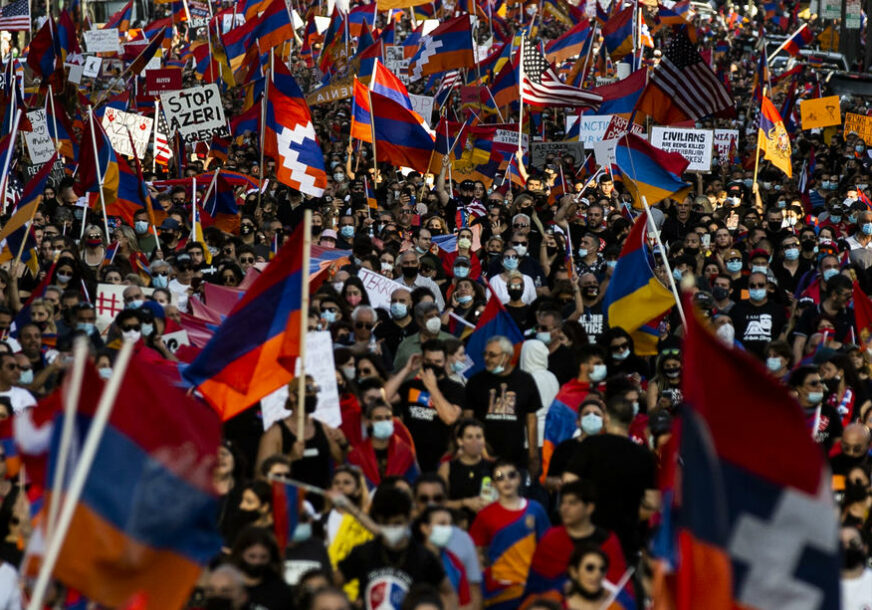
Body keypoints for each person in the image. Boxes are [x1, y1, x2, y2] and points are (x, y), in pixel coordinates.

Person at [565, 396, 658, 561]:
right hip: (627, 538)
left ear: (606, 417)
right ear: (631, 420)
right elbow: (653, 503)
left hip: (590, 534)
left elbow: (569, 481)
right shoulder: (644, 456)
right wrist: (630, 514)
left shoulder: (590, 445)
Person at [335, 487, 457, 610]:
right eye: (386, 524)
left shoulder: (423, 557)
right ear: (378, 521)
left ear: (409, 519)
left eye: (397, 523)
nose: (391, 528)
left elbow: (448, 593)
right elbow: (332, 583)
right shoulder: (363, 553)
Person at [524, 481, 626, 600]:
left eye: (572, 503)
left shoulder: (608, 542)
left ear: (589, 508)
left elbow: (619, 589)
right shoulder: (550, 539)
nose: (564, 508)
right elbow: (536, 586)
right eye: (562, 503)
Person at [469, 459, 550, 607]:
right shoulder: (485, 515)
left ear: (519, 479)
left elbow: (547, 547)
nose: (506, 481)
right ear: (493, 484)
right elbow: (476, 551)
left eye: (511, 475)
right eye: (500, 477)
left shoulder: (536, 510)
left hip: (531, 588)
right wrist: (483, 579)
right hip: (499, 592)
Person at [464, 336, 542, 474]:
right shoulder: (475, 382)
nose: (487, 358)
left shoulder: (525, 381)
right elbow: (467, 419)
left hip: (515, 460)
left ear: (506, 357)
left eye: (492, 355)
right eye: (485, 354)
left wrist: (533, 454)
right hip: (482, 458)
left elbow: (531, 419)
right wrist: (476, 447)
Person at [385, 342, 464, 472]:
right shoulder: (411, 385)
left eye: (437, 361)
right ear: (423, 360)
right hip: (410, 455)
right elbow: (386, 396)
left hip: (440, 458)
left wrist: (432, 387)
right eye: (428, 361)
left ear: (445, 361)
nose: (432, 365)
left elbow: (450, 418)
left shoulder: (455, 388)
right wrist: (407, 369)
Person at [347, 401, 420, 489]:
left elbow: (414, 484)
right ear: (368, 422)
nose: (384, 421)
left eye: (388, 418)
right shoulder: (357, 455)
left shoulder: (405, 453)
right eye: (378, 418)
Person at [417, 505, 472, 609]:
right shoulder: (411, 559)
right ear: (424, 528)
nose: (448, 529)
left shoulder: (455, 562)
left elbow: (466, 603)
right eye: (442, 524)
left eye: (450, 524)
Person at [439, 419, 494, 517]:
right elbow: (439, 503)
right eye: (469, 437)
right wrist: (464, 503)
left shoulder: (493, 468)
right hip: (456, 524)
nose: (475, 441)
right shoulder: (447, 468)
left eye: (479, 437)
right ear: (460, 441)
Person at [230, 527, 294, 609]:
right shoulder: (225, 585)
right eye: (252, 556)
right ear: (240, 554)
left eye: (263, 557)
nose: (257, 562)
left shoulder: (280, 591)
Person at [790, 366, 843, 453]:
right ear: (799, 388)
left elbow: (838, 443)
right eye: (814, 384)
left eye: (821, 382)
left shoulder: (830, 411)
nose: (819, 386)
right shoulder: (789, 411)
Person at [840, 525, 872, 609]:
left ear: (865, 548)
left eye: (853, 542)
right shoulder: (821, 581)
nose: (847, 546)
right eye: (841, 543)